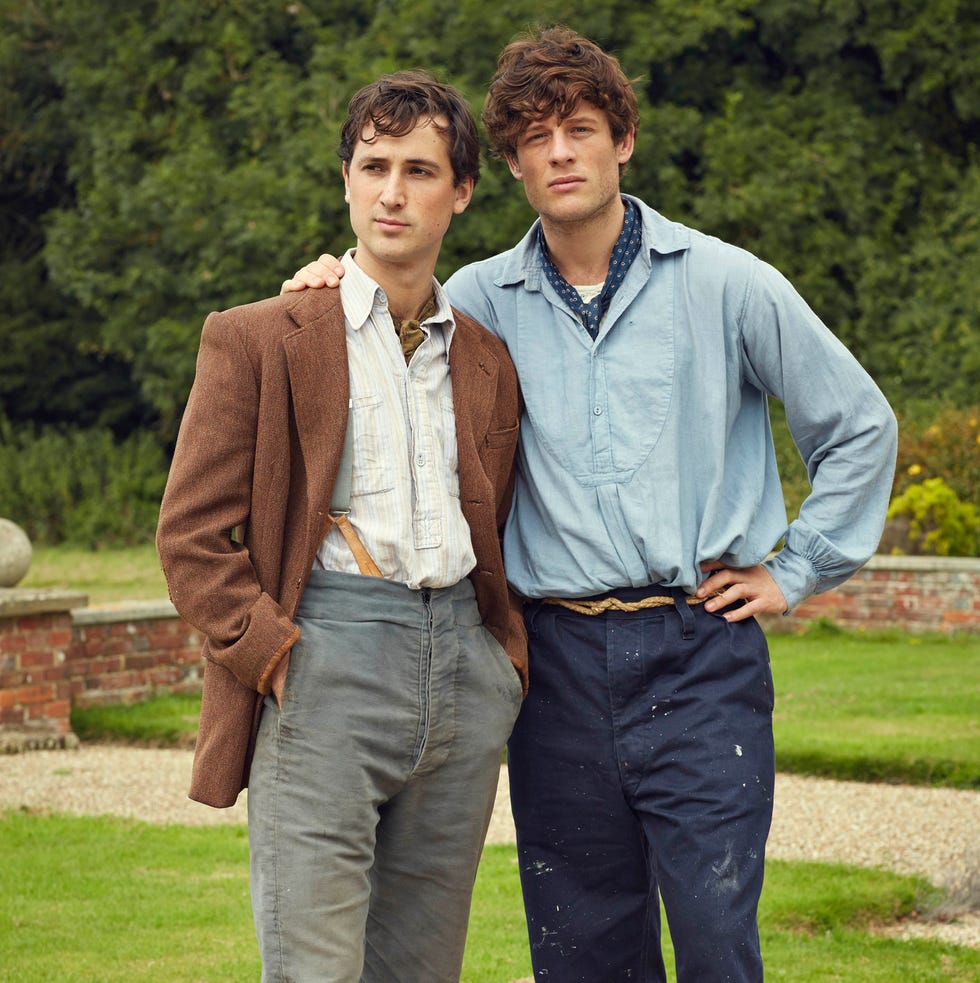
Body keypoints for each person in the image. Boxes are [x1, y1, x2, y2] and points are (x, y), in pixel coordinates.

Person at [280, 27, 898, 983]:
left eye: (580, 129)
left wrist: (796, 568)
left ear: (624, 140)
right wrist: (323, 281)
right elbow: (367, 322)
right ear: (511, 165)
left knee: (715, 938)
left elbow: (859, 426)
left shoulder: (729, 283)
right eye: (535, 136)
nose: (560, 152)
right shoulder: (477, 302)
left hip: (700, 653)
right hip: (556, 666)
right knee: (582, 955)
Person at [156, 71, 526, 983]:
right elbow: (192, 534)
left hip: (462, 672)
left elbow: (504, 516)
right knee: (313, 969)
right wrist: (274, 654)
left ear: (461, 192)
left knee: (422, 969)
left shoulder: (486, 357)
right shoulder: (258, 336)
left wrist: (501, 662)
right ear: (348, 181)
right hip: (324, 662)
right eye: (373, 166)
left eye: (419, 170)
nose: (392, 191)